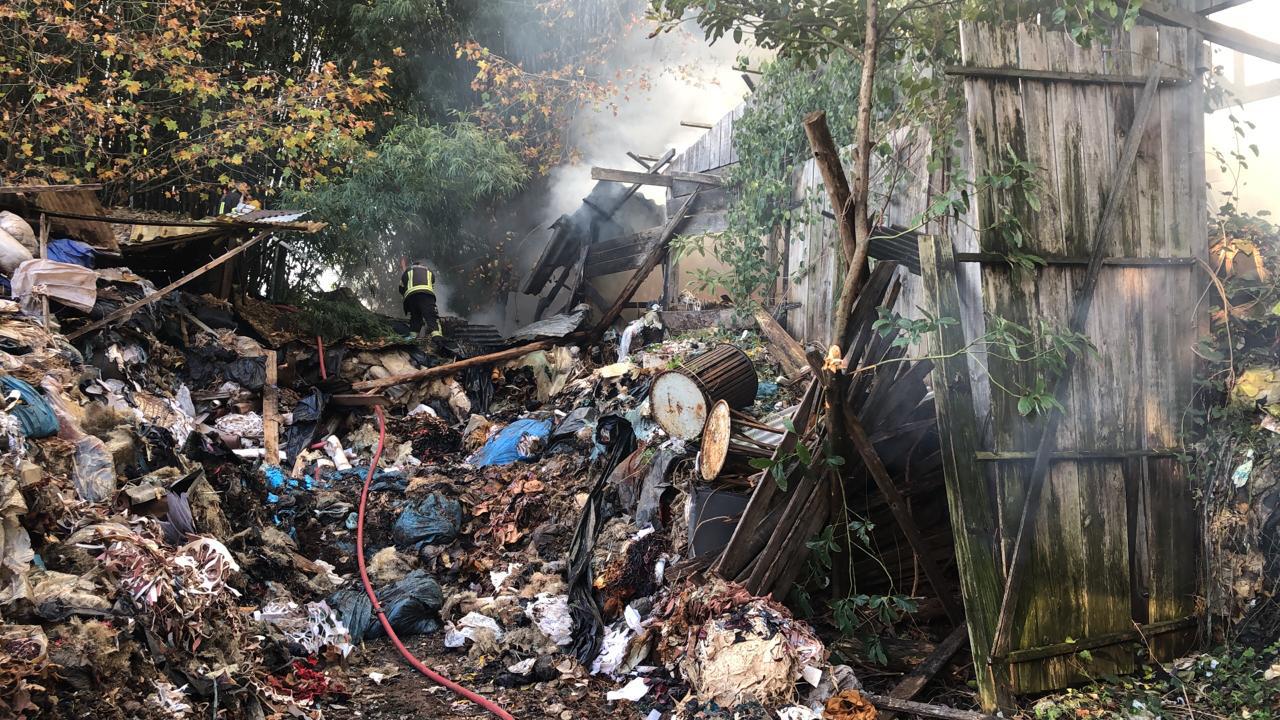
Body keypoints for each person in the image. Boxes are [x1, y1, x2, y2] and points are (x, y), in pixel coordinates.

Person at [398, 259, 442, 340]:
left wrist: (406, 295)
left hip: (411, 296)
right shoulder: (429, 271)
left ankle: (412, 338)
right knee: (431, 316)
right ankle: (438, 338)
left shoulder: (407, 271)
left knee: (415, 317)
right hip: (426, 295)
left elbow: (401, 287)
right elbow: (432, 286)